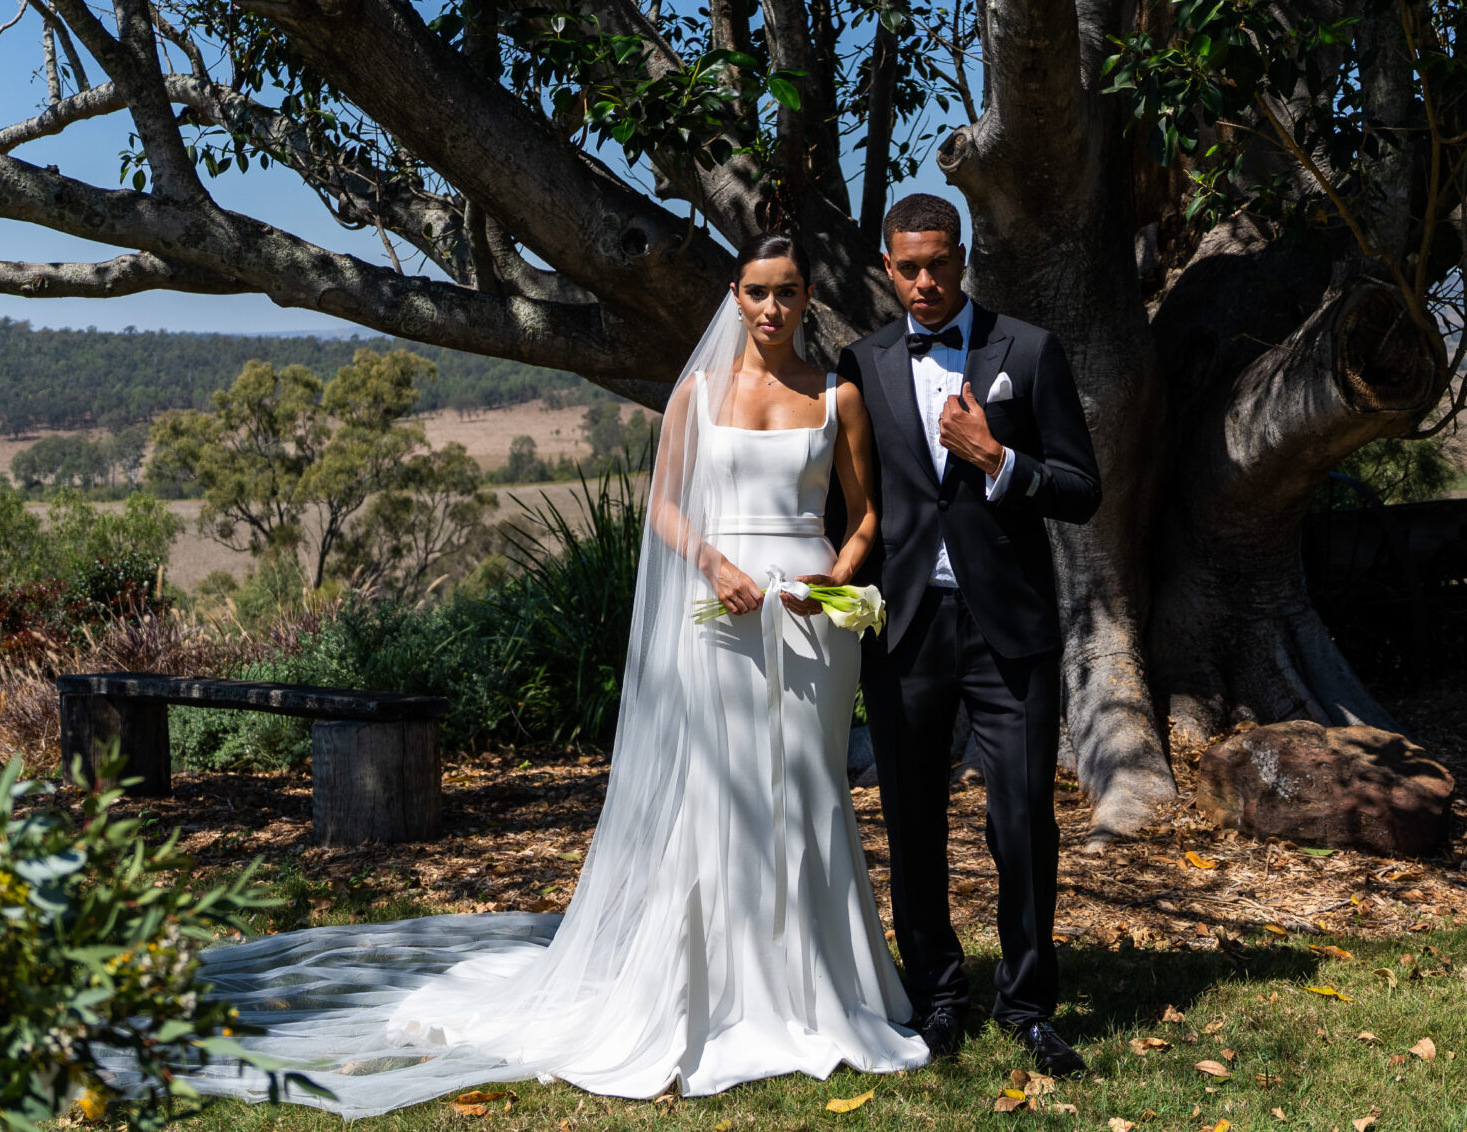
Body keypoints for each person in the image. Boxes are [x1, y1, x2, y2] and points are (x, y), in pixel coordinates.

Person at [158, 234, 926, 1115]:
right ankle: (715, 992)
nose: (773, 309)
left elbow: (866, 516)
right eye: (758, 291)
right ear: (735, 294)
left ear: (808, 296)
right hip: (723, 613)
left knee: (810, 787)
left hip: (811, 620)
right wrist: (713, 564)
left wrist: (835, 578)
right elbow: (665, 507)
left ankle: (822, 990)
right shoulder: (697, 395)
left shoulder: (836, 395)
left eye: (788, 292)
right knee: (719, 793)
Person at [835, 193, 1101, 1075]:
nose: (925, 281)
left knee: (1022, 817)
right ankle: (938, 996)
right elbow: (847, 501)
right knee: (912, 820)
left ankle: (1027, 1006)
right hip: (904, 628)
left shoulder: (1028, 350)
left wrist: (1000, 460)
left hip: (1009, 628)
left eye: (939, 263)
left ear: (963, 255)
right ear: (887, 266)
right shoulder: (861, 362)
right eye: (908, 267)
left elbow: (1082, 488)